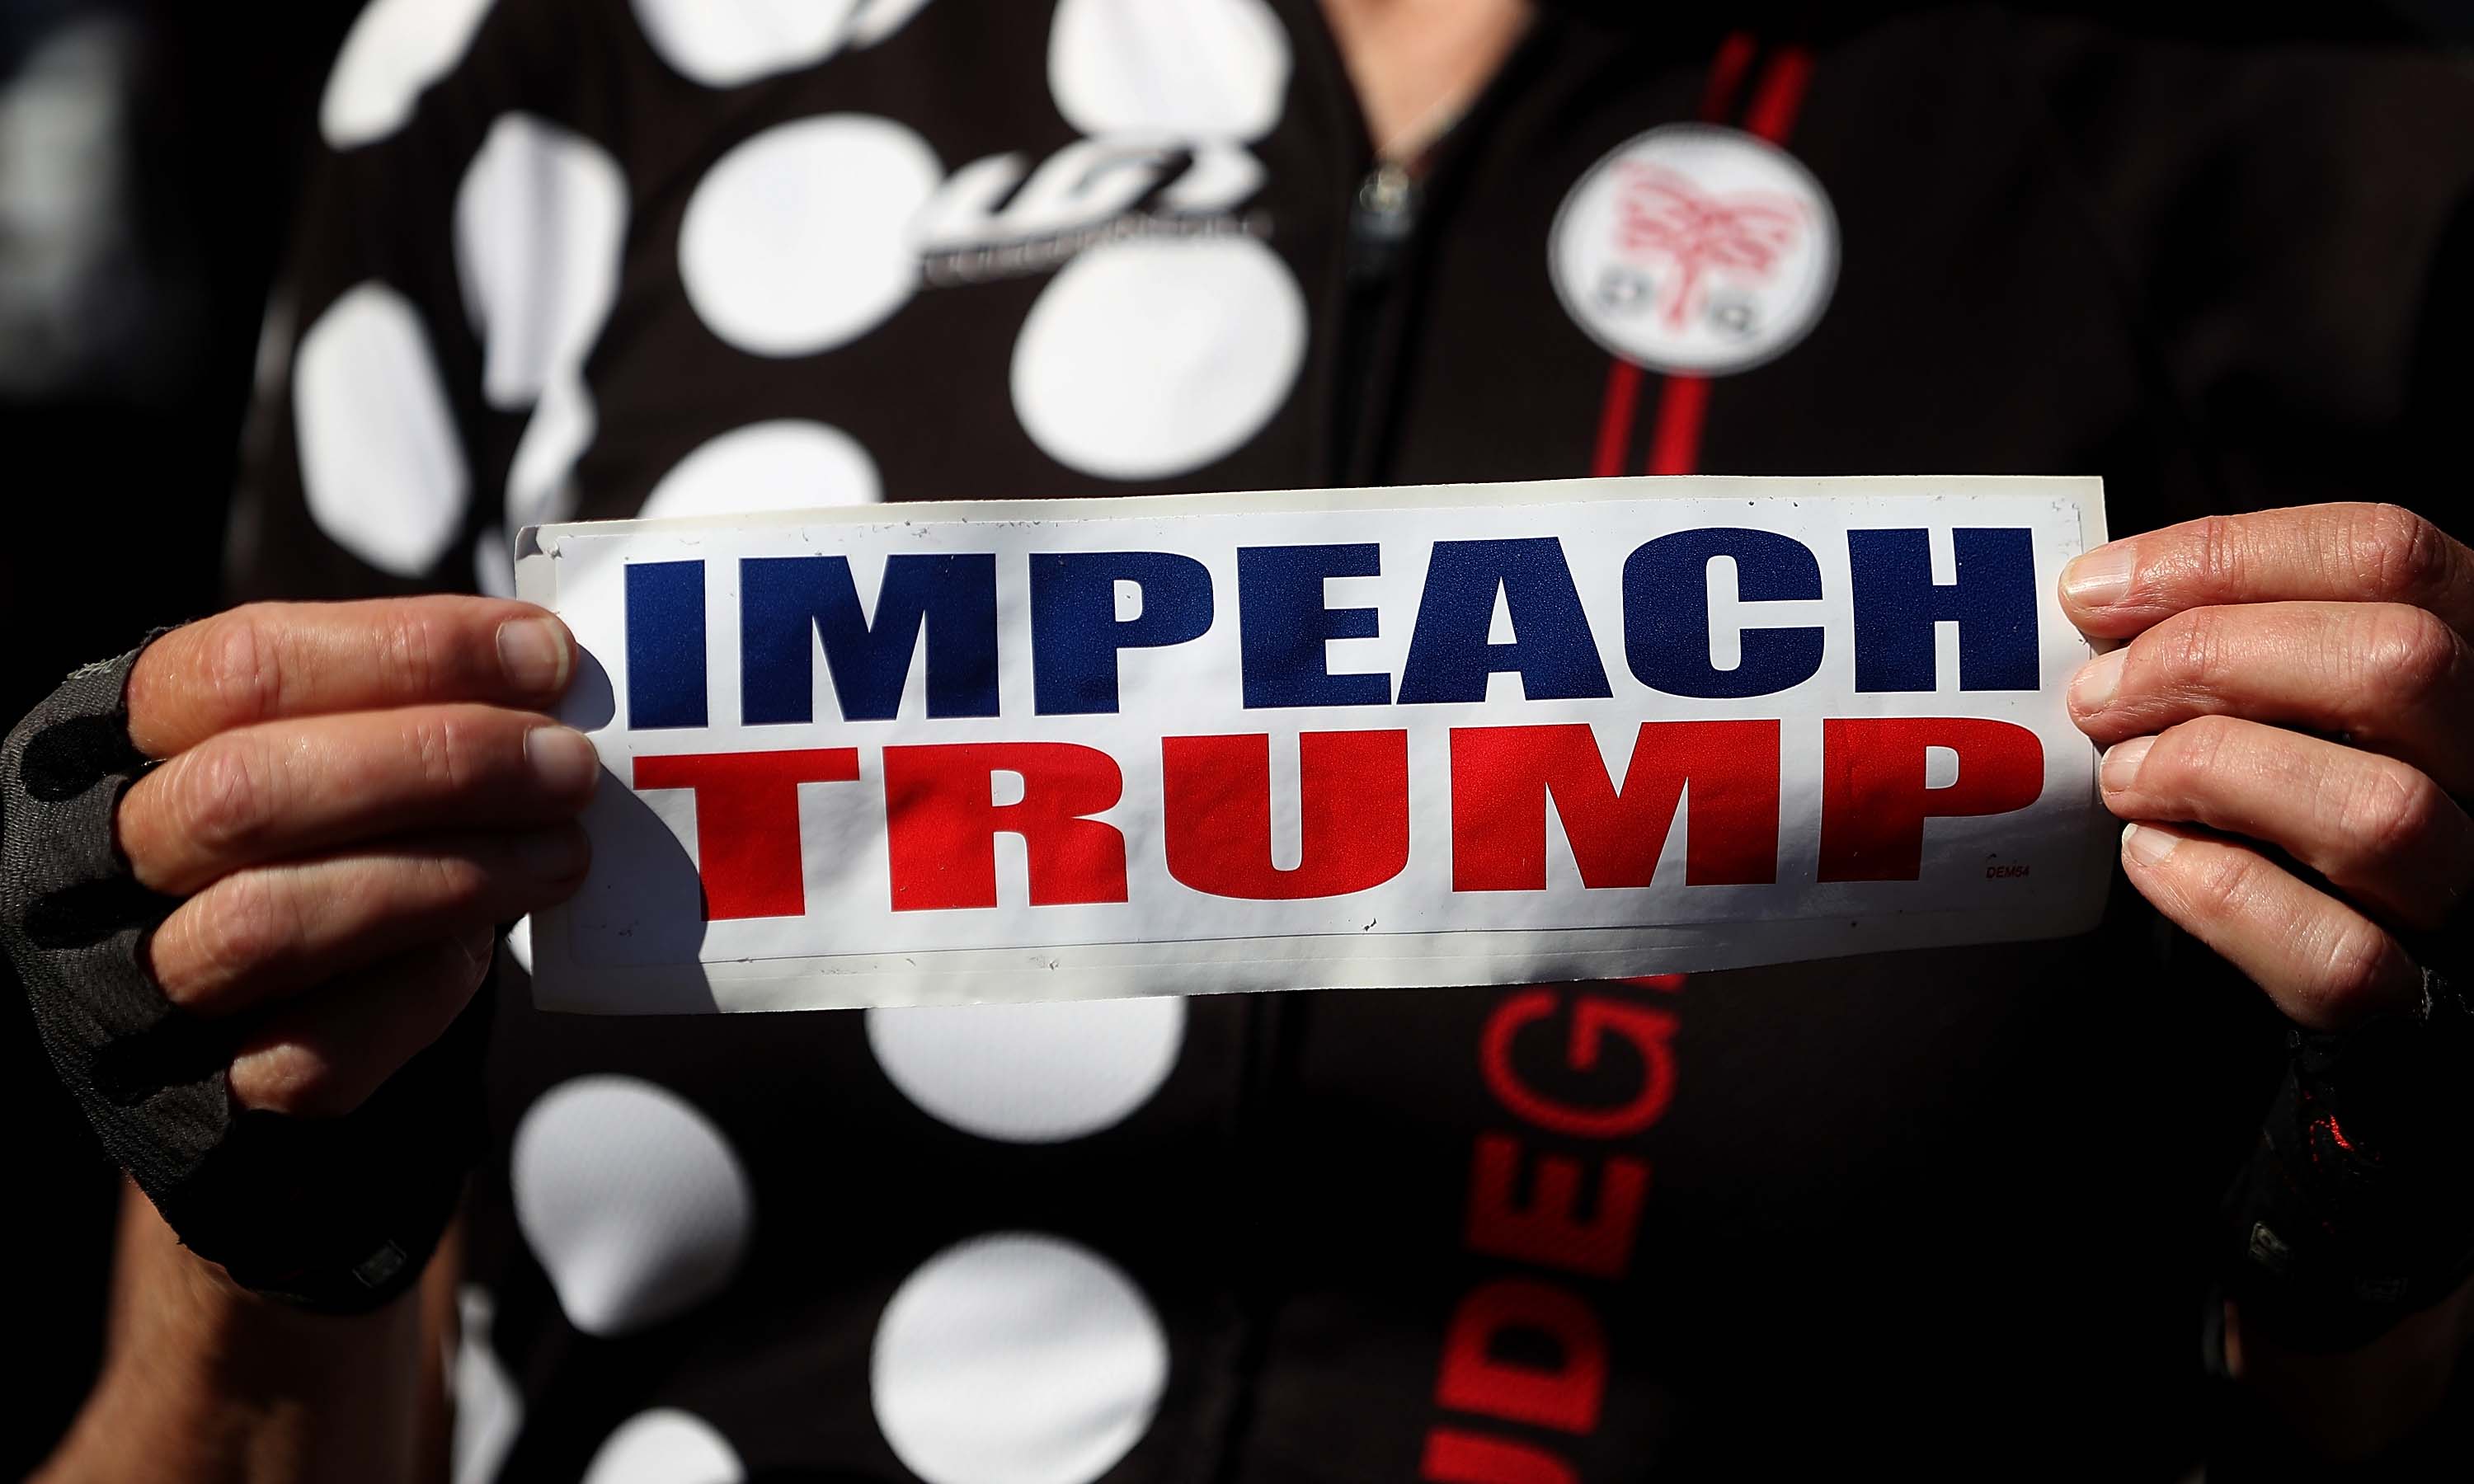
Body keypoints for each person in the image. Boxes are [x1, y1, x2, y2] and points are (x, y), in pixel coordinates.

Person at [8, 1, 2472, 1478]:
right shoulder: (547, 62)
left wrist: (2390, 1212)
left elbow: (2344, 1377)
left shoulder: (2282, 121)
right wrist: (260, 1225)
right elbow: (240, 1413)